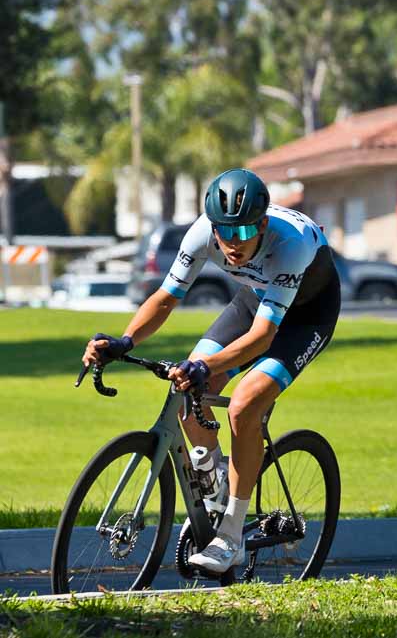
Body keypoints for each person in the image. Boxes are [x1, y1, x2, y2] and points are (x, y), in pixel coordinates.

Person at [81, 168, 341, 574]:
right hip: (256, 300)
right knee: (185, 389)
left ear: (263, 224)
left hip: (305, 318)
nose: (233, 244)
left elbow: (262, 338)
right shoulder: (203, 233)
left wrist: (204, 365)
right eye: (225, 233)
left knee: (243, 404)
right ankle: (218, 484)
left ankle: (232, 537)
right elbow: (166, 297)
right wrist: (125, 341)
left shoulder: (287, 244)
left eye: (244, 233)